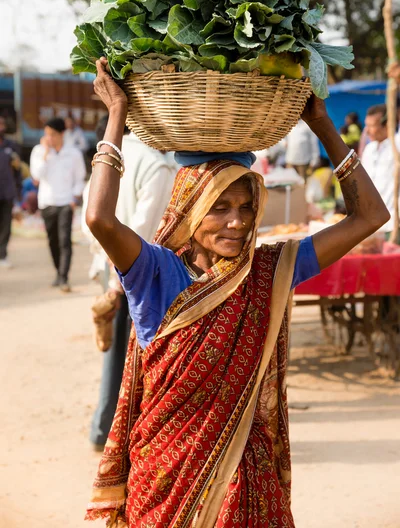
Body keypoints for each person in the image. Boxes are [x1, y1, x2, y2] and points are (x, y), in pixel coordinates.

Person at [84, 58, 389, 528]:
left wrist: (325, 126)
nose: (237, 221)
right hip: (165, 476)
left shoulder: (269, 270)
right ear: (190, 210)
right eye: (220, 207)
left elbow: (369, 217)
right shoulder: (155, 272)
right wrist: (117, 114)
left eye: (247, 206)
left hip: (245, 483)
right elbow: (100, 220)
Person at [86, 114, 177, 450]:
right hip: (138, 275)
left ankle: (104, 430)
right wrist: (117, 277)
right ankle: (119, 434)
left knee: (118, 357)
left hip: (112, 270)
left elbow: (89, 221)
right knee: (137, 359)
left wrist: (107, 270)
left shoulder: (106, 161)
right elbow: (143, 230)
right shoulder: (156, 163)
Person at [30, 117, 86, 291]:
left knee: (64, 241)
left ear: (62, 134)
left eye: (53, 135)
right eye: (47, 134)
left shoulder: (74, 153)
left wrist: (73, 199)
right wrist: (46, 154)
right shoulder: (39, 151)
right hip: (47, 203)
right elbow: (37, 176)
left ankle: (64, 277)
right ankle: (58, 272)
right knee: (52, 240)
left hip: (65, 203)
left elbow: (80, 178)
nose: (49, 138)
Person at [361, 104, 400, 236]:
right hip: (373, 223)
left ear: (387, 124)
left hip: (394, 222)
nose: (367, 131)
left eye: (372, 126)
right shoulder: (369, 149)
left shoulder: (397, 145)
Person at [0, 116, 21, 268]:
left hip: (7, 193)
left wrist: (18, 195)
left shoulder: (11, 146)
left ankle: (2, 255)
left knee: (6, 226)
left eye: (2, 123)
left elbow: (18, 171)